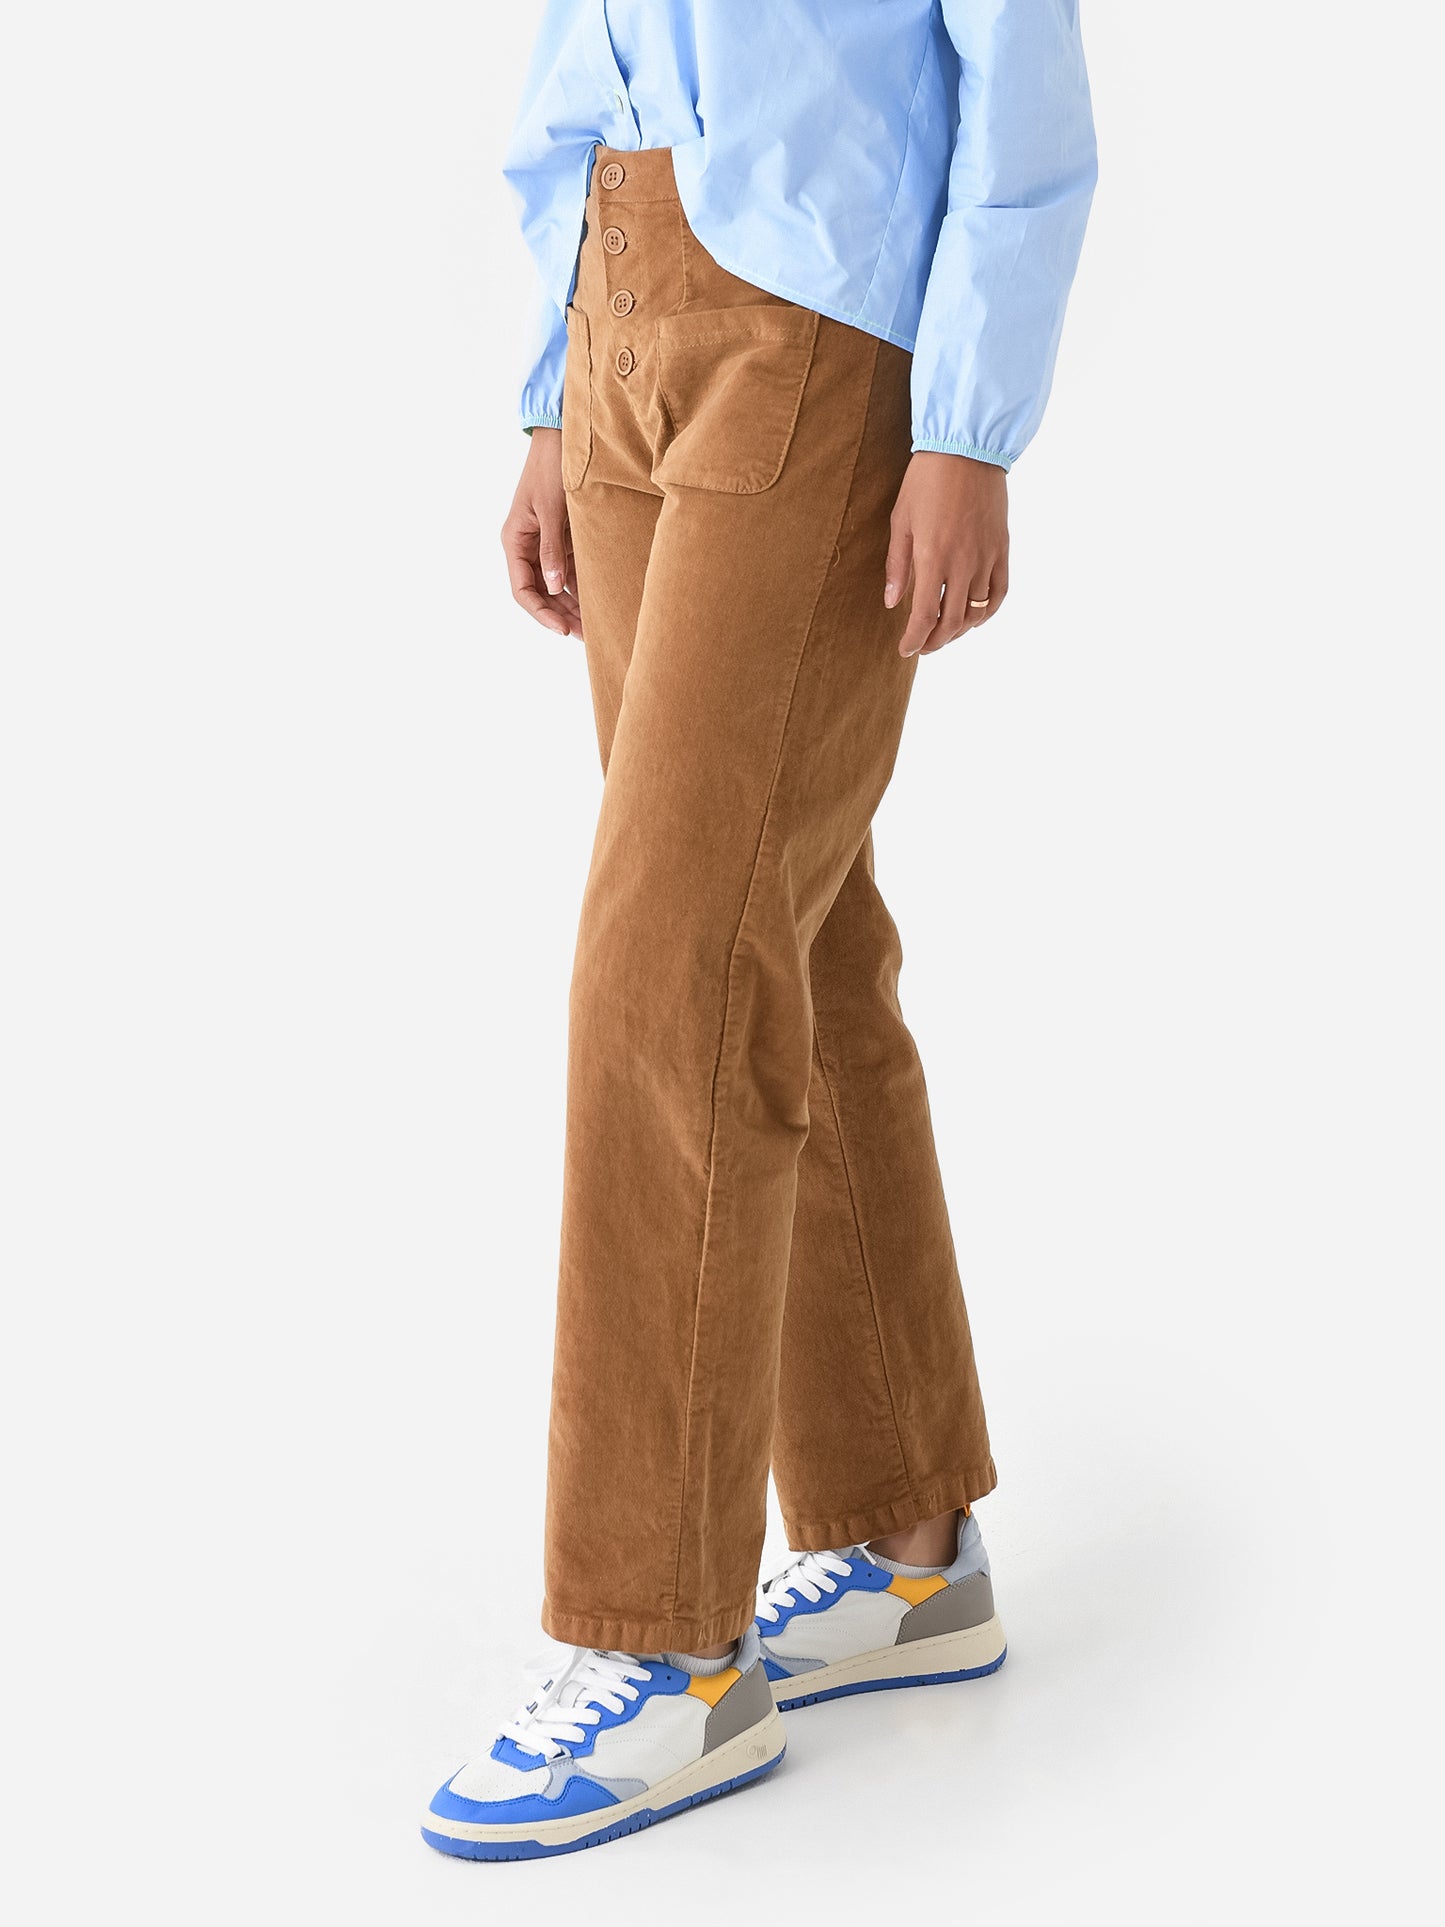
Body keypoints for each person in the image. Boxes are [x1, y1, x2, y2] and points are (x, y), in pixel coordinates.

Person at [423, 0, 1095, 1860]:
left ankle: (663, 1651)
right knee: (781, 937)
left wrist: (967, 427)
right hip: (620, 314)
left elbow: (1022, 88)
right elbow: (579, 65)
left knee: (669, 969)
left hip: (819, 328)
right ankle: (904, 1542)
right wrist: (552, 392)